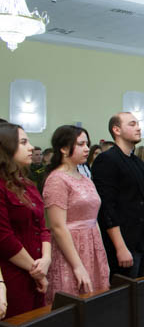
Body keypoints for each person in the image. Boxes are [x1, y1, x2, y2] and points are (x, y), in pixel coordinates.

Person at [42, 125, 109, 304]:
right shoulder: (57, 179)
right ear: (64, 148)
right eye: (80, 144)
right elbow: (57, 227)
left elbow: (94, 218)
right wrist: (78, 266)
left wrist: (101, 256)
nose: (87, 148)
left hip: (92, 243)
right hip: (71, 248)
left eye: (87, 143)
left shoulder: (85, 178)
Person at [92, 113, 144, 278]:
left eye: (138, 124)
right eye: (132, 124)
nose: (138, 128)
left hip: (142, 241)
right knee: (123, 296)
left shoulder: (137, 162)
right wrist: (120, 247)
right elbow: (107, 208)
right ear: (117, 130)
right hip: (124, 242)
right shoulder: (106, 160)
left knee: (140, 294)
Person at [0, 123, 51, 318]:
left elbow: (43, 227)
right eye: (23, 142)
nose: (31, 147)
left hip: (37, 268)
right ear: (6, 147)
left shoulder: (28, 184)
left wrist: (46, 260)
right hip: (14, 272)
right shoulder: (2, 186)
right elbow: (4, 238)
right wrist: (35, 269)